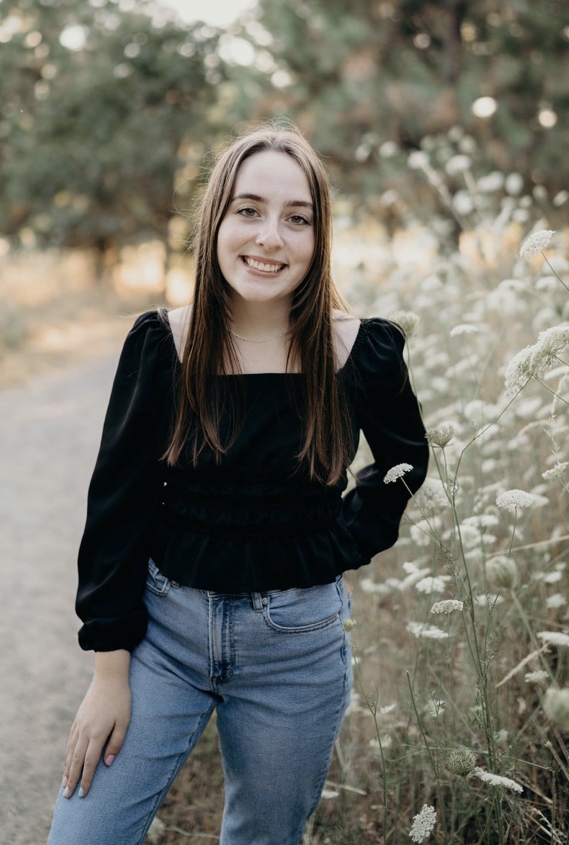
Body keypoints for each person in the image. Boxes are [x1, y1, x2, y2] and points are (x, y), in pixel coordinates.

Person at [47, 125, 428, 845]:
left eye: (296, 218)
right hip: (165, 634)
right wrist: (108, 670)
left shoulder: (359, 348)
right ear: (215, 219)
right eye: (248, 210)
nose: (270, 238)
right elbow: (117, 506)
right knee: (83, 834)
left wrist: (332, 544)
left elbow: (405, 462)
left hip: (298, 644)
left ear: (319, 236)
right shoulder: (164, 342)